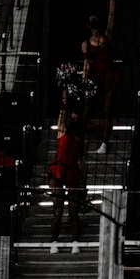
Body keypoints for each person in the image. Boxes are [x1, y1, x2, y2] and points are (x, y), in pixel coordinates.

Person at [81, 0, 118, 155]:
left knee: (107, 110)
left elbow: (112, 16)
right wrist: (83, 81)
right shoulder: (85, 43)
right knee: (88, 106)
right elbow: (86, 64)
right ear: (89, 25)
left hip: (109, 75)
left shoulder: (106, 35)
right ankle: (79, 138)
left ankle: (104, 143)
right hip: (94, 77)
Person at [48, 104, 85, 254]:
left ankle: (75, 241)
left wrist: (83, 183)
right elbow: (62, 113)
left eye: (77, 119)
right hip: (58, 172)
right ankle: (53, 242)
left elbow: (82, 162)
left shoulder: (81, 140)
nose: (74, 121)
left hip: (72, 173)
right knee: (58, 210)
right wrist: (65, 95)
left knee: (73, 211)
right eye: (72, 118)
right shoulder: (62, 131)